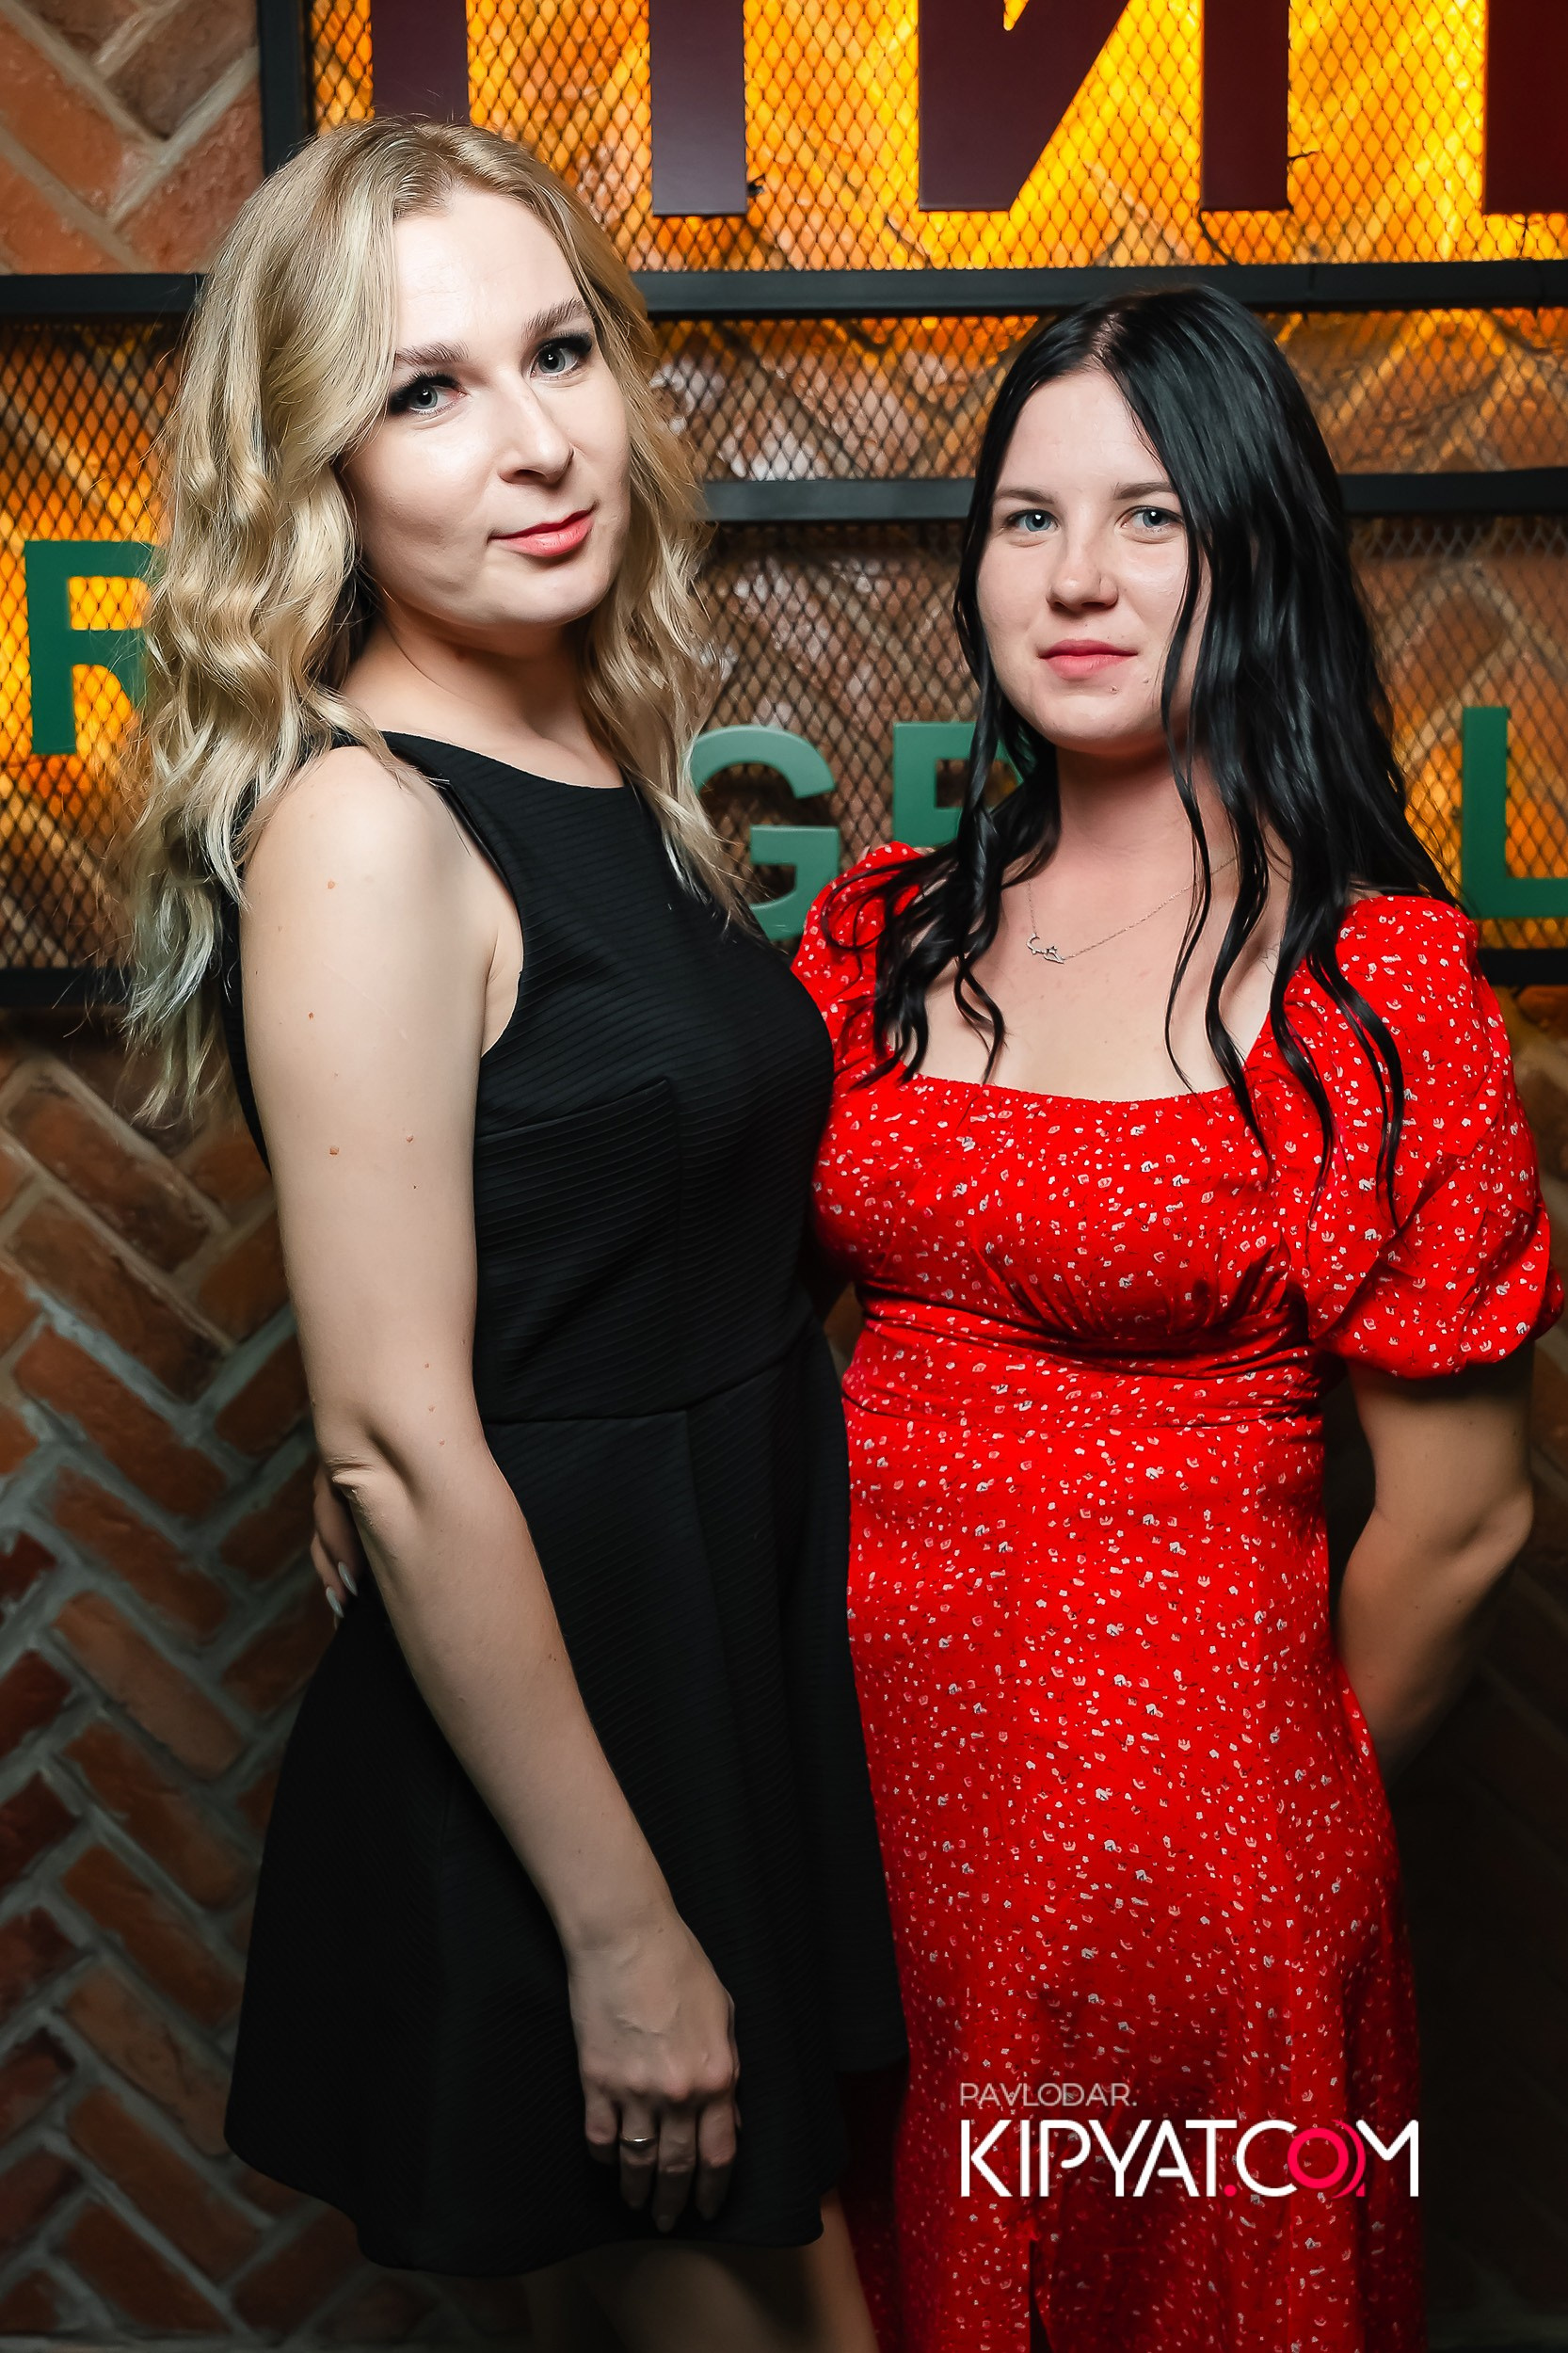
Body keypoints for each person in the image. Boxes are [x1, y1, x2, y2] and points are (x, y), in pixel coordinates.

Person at [117, 115, 904, 2353]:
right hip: (578, 1732)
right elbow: (390, 1434)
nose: (539, 440)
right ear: (321, 474)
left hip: (701, 1652)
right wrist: (621, 1930)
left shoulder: (593, 751)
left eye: (558, 351)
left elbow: (626, 1246)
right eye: (425, 390)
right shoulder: (365, 827)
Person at [782, 288, 1561, 2351]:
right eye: (1026, 518)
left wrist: (1250, 1796)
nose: (1077, 578)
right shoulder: (877, 936)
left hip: (1200, 1870)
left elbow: (1460, 1519)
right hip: (853, 1823)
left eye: (1149, 518)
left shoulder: (1370, 988)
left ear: (1255, 550)